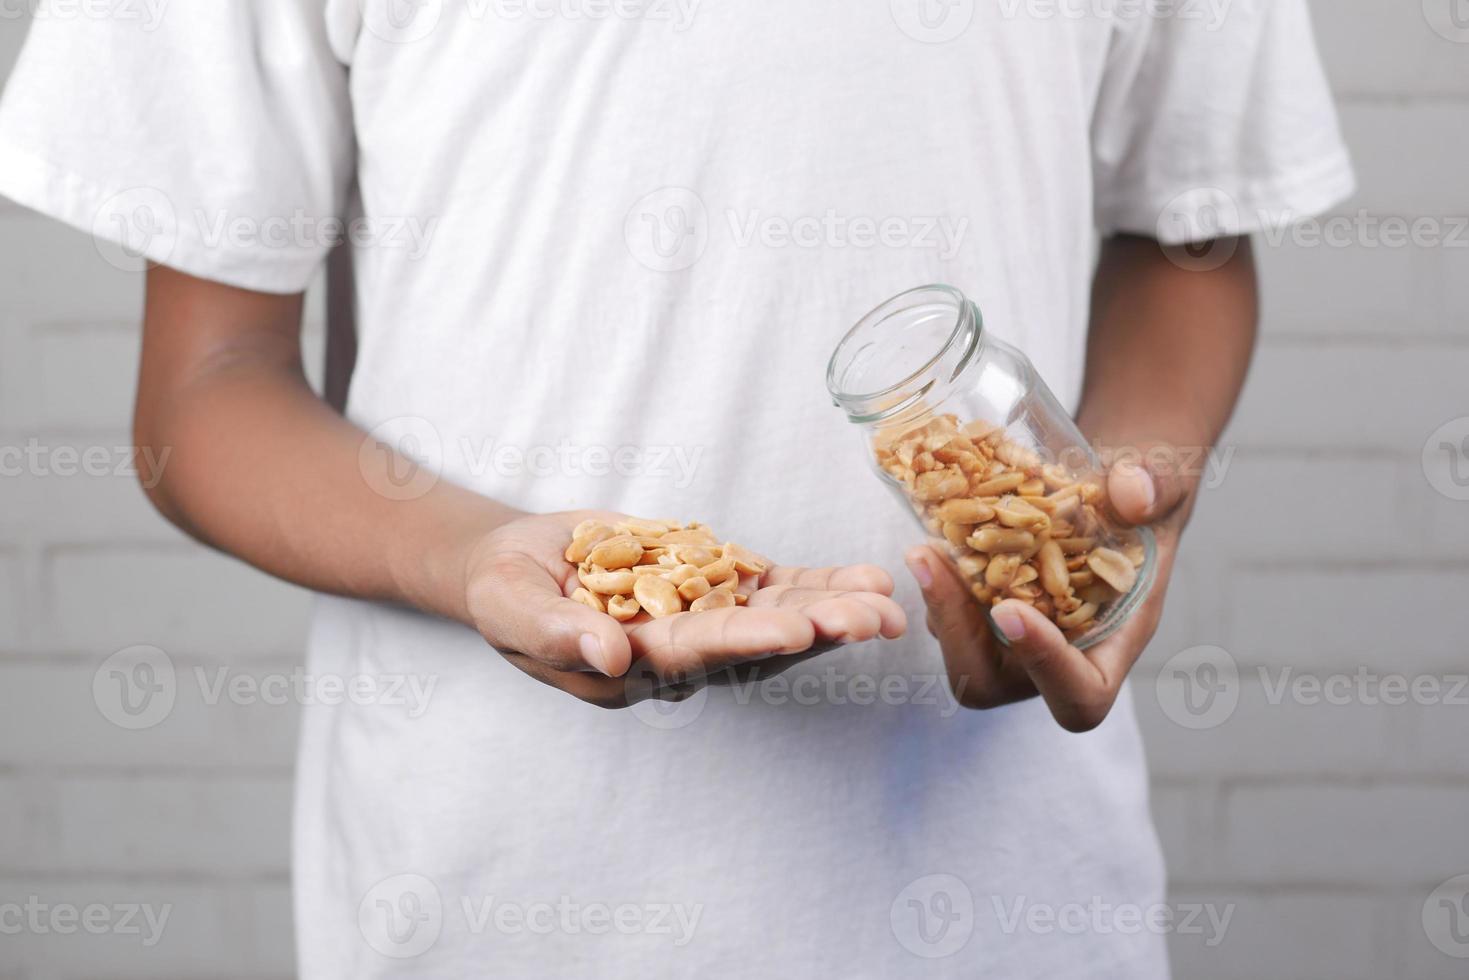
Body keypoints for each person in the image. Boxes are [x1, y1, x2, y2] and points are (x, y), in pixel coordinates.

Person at [0, 1, 1352, 976]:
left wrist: (1113, 507)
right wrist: (478, 556)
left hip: (1008, 899)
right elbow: (203, 388)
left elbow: (1188, 240)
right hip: (491, 895)